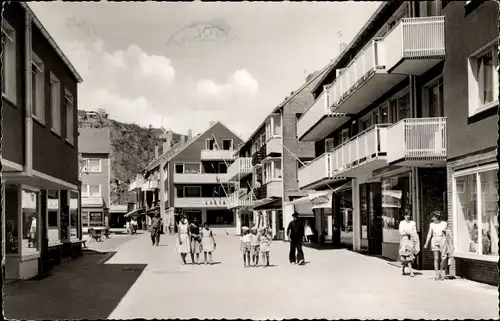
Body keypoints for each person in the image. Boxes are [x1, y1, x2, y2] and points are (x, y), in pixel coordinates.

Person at [424, 211, 448, 280]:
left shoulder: (444, 223)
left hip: (442, 239)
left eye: (433, 217)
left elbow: (447, 233)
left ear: (437, 217)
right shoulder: (431, 224)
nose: (432, 218)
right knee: (436, 258)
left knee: (443, 257)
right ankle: (437, 274)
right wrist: (426, 243)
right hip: (434, 240)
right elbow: (429, 234)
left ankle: (441, 271)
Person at [398, 209, 419, 276]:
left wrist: (413, 235)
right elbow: (401, 232)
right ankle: (411, 272)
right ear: (404, 216)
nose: (408, 216)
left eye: (409, 215)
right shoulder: (402, 223)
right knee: (406, 255)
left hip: (411, 240)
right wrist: (406, 233)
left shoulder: (413, 223)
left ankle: (403, 268)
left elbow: (414, 231)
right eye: (406, 215)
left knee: (409, 256)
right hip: (404, 240)